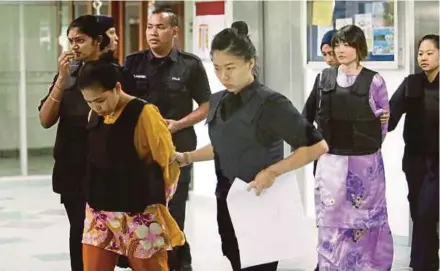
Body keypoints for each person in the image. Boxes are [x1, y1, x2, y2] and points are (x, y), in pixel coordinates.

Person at [172, 21, 328, 271]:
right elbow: (224, 145)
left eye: (230, 68)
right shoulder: (218, 100)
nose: (224, 76)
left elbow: (316, 146)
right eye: (218, 68)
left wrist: (273, 172)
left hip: (261, 203)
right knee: (235, 259)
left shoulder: (271, 103)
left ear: (250, 63)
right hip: (228, 200)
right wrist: (187, 157)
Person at [38, 15, 135, 271]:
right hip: (72, 170)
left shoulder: (118, 76)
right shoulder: (67, 76)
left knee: (111, 240)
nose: (74, 47)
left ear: (98, 41)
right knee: (79, 234)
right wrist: (61, 80)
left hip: (109, 173)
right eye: (70, 41)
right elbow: (45, 119)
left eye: (80, 40)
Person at [124, 8, 211, 271]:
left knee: (174, 209)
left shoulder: (190, 64)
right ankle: (148, 262)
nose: (153, 32)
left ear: (174, 31)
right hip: (141, 150)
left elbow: (206, 105)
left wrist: (178, 124)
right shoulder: (133, 63)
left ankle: (178, 263)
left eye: (160, 27)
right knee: (143, 208)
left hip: (178, 149)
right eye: (150, 27)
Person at [77, 59, 184, 271]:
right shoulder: (95, 114)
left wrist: (158, 201)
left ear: (117, 87)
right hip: (99, 212)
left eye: (100, 100)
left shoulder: (145, 114)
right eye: (89, 102)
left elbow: (167, 162)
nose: (96, 107)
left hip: (139, 210)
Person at [309, 25, 393, 270]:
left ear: (359, 48)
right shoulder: (324, 78)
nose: (341, 50)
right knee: (331, 223)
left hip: (365, 164)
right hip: (331, 162)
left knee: (365, 223)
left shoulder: (374, 81)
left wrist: (366, 147)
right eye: (338, 44)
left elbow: (382, 126)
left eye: (347, 44)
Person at [388, 34, 439, 271]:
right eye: (421, 53)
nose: (424, 58)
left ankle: (419, 265)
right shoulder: (412, 82)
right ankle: (429, 261)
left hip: (438, 161)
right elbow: (390, 115)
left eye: (430, 53)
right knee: (418, 212)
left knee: (427, 212)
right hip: (414, 158)